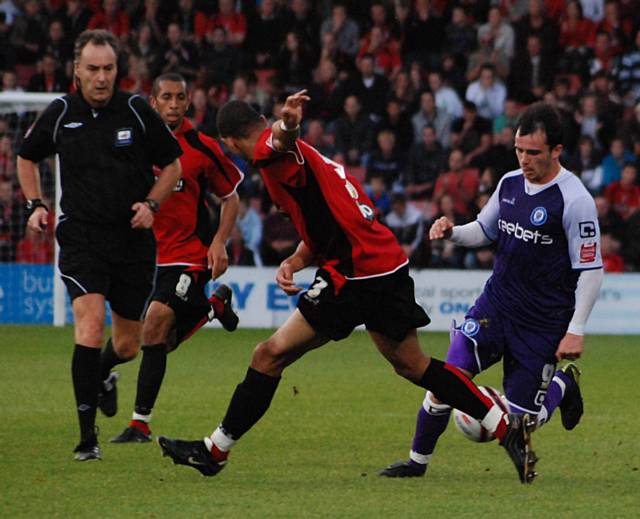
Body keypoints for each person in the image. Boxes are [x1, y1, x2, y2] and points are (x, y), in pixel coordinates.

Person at [157, 91, 539, 484]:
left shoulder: (272, 153)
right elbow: (326, 226)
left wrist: (287, 123)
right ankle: (504, 427)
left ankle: (214, 451)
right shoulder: (307, 158)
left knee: (268, 355)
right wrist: (295, 260)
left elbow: (278, 139)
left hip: (352, 274)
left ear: (230, 143)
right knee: (413, 364)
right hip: (384, 263)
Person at [379, 102, 604, 478]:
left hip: (543, 322)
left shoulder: (576, 200)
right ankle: (416, 464)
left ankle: (563, 383)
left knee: (523, 424)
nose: (524, 159)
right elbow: (484, 230)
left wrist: (576, 328)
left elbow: (591, 270)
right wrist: (452, 232)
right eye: (519, 150)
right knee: (448, 379)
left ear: (556, 151)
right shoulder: (509, 183)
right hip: (495, 306)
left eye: (533, 152)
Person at [16, 30, 183, 461]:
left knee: (127, 344)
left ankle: (104, 374)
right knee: (89, 326)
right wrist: (35, 204)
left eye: (108, 68)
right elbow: (26, 155)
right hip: (82, 238)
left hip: (132, 241)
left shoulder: (134, 109)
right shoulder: (60, 113)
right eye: (93, 69)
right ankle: (86, 439)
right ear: (77, 70)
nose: (102, 77)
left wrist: (152, 203)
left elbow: (172, 165)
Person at [108, 73, 242, 444]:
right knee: (154, 341)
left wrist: (219, 242)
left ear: (188, 102)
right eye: (165, 97)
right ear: (152, 102)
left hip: (188, 254)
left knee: (154, 324)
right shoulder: (135, 142)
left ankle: (139, 424)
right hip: (142, 254)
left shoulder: (201, 146)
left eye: (180, 98)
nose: (173, 104)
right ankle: (212, 308)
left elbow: (231, 196)